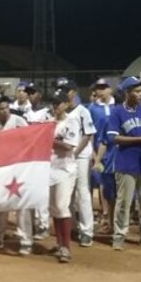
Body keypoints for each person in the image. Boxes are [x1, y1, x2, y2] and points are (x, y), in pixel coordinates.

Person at [106, 76, 141, 251]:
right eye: (136, 91)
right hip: (126, 163)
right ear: (127, 92)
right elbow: (113, 137)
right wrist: (139, 139)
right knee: (124, 202)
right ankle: (119, 235)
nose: (140, 94)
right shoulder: (117, 112)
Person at [0, 95, 33, 256]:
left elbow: (31, 140)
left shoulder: (18, 121)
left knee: (22, 206)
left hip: (20, 168)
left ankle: (26, 241)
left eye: (6, 107)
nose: (5, 111)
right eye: (1, 109)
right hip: (1, 169)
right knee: (0, 204)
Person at [55, 77, 96, 247]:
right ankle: (71, 226)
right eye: (62, 90)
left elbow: (88, 135)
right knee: (67, 193)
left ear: (74, 92)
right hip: (64, 157)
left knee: (82, 192)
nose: (65, 93)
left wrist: (74, 153)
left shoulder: (82, 111)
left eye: (67, 90)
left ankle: (87, 231)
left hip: (80, 157)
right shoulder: (58, 112)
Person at [49, 90, 80, 263]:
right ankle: (59, 243)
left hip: (66, 170)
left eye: (58, 103)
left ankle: (66, 247)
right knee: (54, 208)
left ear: (66, 104)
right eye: (53, 103)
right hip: (50, 168)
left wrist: (49, 139)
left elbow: (69, 146)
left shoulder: (71, 121)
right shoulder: (49, 122)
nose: (55, 106)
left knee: (62, 206)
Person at [22, 82, 53, 240]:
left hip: (44, 156)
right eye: (29, 93)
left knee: (42, 192)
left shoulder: (47, 112)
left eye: (33, 93)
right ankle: (32, 225)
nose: (31, 95)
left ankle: (44, 225)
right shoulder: (25, 113)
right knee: (30, 190)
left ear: (40, 94)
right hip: (30, 156)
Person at [90, 78, 116, 235]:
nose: (100, 91)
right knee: (102, 184)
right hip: (98, 150)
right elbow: (90, 132)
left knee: (114, 186)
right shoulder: (92, 108)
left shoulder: (117, 107)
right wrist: (94, 155)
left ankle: (114, 218)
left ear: (110, 89)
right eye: (98, 88)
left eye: (104, 87)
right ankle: (105, 215)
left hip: (115, 152)